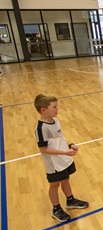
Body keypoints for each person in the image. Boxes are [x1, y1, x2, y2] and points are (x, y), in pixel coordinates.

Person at [34, 94, 89, 222]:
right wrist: (63, 153)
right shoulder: (41, 128)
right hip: (53, 163)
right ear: (44, 110)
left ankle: (70, 201)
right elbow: (43, 149)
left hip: (63, 159)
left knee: (66, 179)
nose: (57, 109)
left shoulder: (56, 121)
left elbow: (61, 137)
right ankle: (56, 209)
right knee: (54, 185)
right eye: (54, 107)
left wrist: (70, 145)